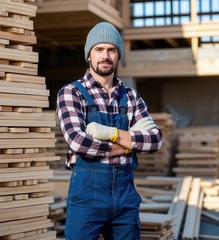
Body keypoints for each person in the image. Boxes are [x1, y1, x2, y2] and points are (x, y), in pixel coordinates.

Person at [56, 21, 163, 240]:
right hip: (86, 197)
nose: (105, 55)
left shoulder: (131, 97)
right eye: (99, 49)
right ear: (89, 55)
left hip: (125, 197)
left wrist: (112, 134)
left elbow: (155, 139)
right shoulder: (71, 93)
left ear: (118, 55)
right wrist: (126, 146)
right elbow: (77, 141)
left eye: (112, 50)